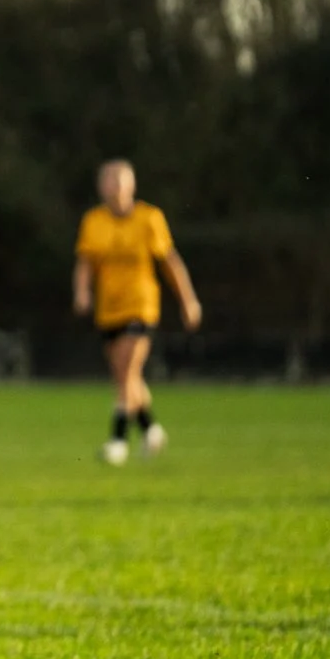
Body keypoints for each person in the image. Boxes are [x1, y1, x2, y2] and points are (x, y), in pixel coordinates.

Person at [74, 159, 201, 462]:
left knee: (128, 368)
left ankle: (117, 440)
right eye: (110, 180)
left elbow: (169, 261)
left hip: (141, 305)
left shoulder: (149, 218)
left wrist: (188, 300)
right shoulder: (93, 221)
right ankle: (151, 429)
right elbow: (85, 263)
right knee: (125, 377)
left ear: (132, 185)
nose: (116, 187)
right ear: (100, 187)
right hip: (109, 308)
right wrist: (81, 291)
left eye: (121, 180)